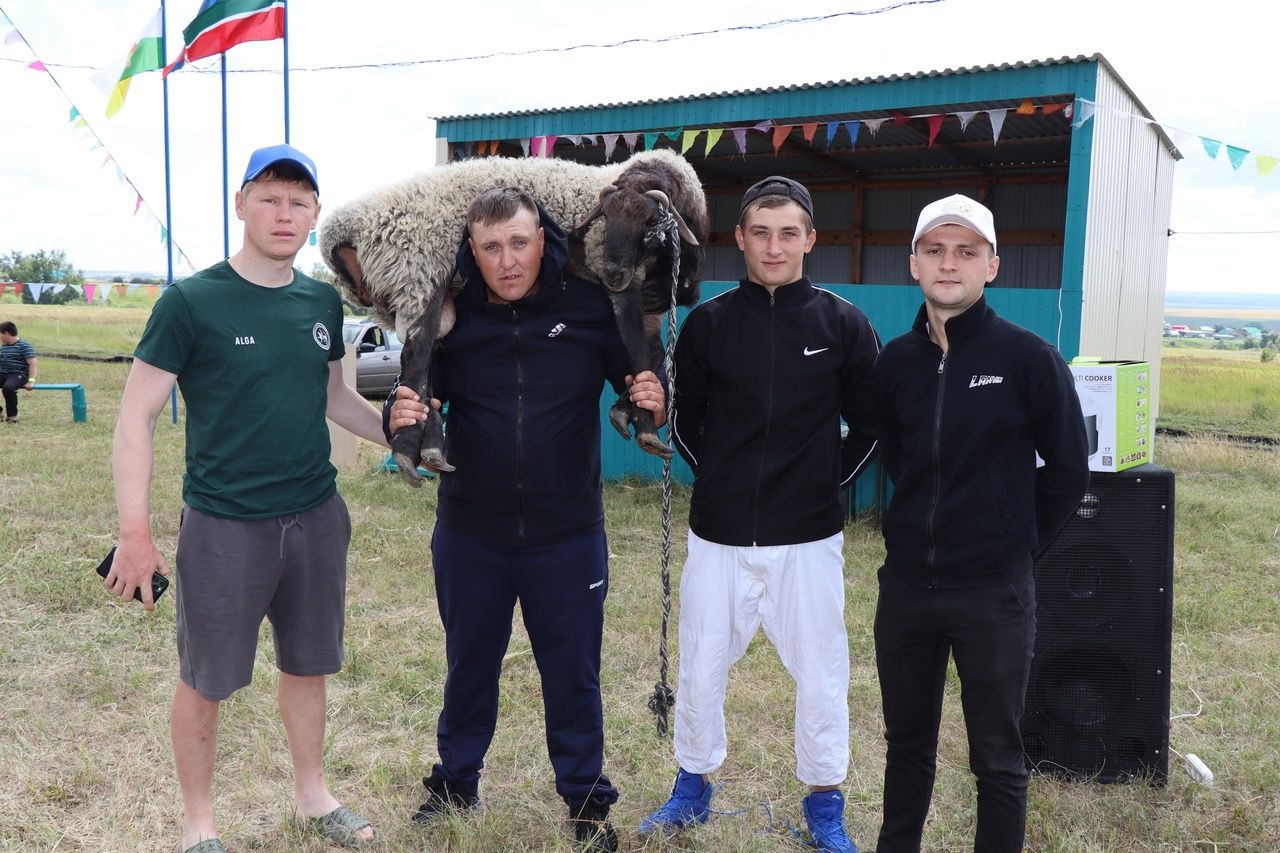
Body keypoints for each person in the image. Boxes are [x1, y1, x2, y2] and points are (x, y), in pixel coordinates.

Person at [109, 144, 387, 853]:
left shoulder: (322, 300)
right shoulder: (191, 302)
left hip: (317, 517)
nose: (284, 213)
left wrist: (405, 438)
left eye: (299, 201)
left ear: (317, 214)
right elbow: (136, 415)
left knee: (308, 661)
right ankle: (199, 825)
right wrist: (134, 533)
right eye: (269, 197)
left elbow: (335, 398)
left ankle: (312, 796)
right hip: (224, 524)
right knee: (207, 679)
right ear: (240, 204)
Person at [386, 186, 666, 852]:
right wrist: (396, 419)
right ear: (472, 251)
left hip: (567, 535)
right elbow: (412, 398)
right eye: (491, 247)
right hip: (469, 533)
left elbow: (637, 379)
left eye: (519, 242)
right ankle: (455, 784)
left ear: (543, 239)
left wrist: (651, 389)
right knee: (469, 664)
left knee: (573, 672)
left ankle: (587, 802)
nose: (508, 260)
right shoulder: (449, 318)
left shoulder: (589, 307)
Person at [639, 176, 880, 853]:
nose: (774, 246)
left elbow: (870, 425)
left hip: (808, 539)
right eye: (760, 232)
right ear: (741, 238)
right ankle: (692, 786)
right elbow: (687, 423)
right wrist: (719, 480)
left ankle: (825, 801)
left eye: (788, 232)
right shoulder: (711, 323)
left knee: (823, 669)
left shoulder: (843, 323)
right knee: (701, 661)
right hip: (718, 536)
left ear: (809, 238)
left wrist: (823, 490)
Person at [870, 194, 1090, 852]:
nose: (949, 263)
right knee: (906, 746)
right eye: (935, 249)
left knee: (997, 756)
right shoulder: (896, 363)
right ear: (913, 262)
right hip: (907, 588)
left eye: (967, 251)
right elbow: (896, 454)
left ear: (992, 266)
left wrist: (1014, 546)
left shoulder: (1027, 357)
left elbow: (1068, 469)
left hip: (993, 592)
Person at [0, 320, 38, 423]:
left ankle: (12, 416)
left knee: (8, 388)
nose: (0, 337)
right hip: (3, 373)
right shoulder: (4, 346)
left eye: (0, 334)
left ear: (6, 333)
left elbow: (33, 363)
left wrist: (31, 381)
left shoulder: (24, 346)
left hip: (18, 375)